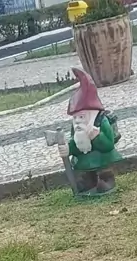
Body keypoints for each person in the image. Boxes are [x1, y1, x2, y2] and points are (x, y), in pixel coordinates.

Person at [58, 68, 122, 196]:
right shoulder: (76, 126)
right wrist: (68, 149)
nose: (77, 121)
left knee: (104, 171)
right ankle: (89, 181)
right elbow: (75, 142)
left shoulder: (101, 121)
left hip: (102, 158)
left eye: (81, 117)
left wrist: (97, 137)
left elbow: (109, 145)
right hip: (85, 161)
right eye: (75, 117)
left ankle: (106, 180)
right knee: (86, 175)